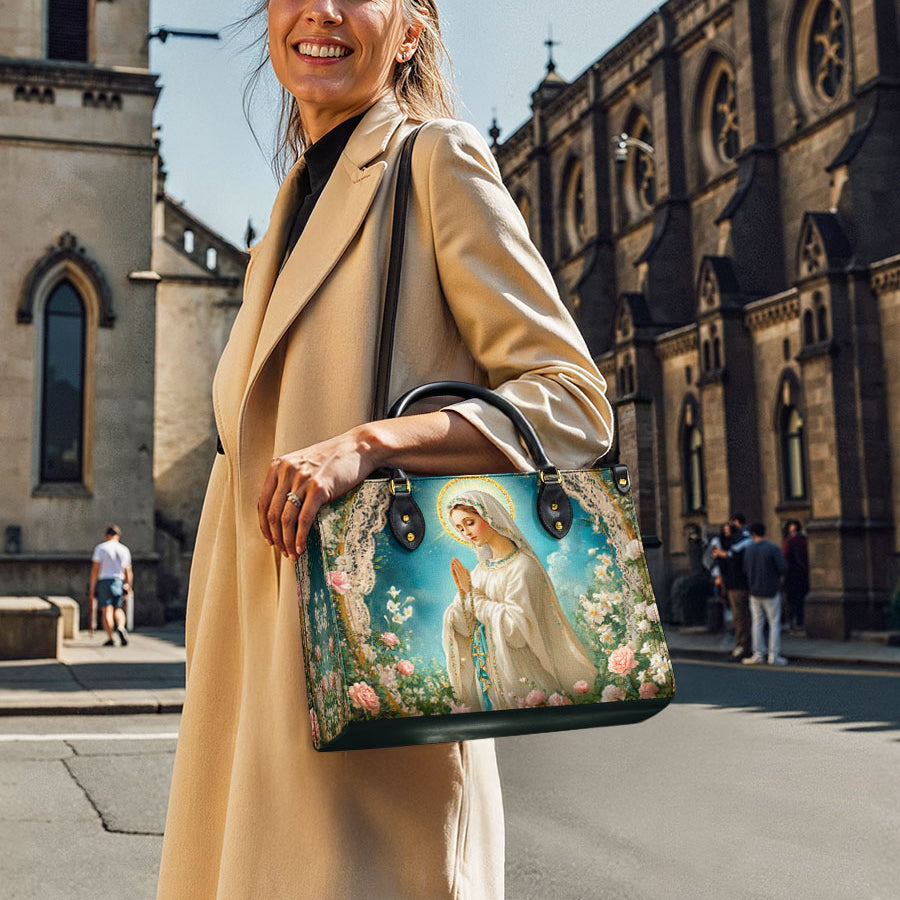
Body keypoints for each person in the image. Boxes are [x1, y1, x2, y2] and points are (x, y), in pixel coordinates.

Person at [156, 3, 613, 898]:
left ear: (408, 30)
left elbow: (572, 402)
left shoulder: (435, 159)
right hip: (247, 710)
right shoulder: (281, 222)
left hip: (370, 720)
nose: (321, 11)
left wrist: (372, 443)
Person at [442, 492, 598, 711]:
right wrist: (462, 599)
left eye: (470, 522)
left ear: (490, 516)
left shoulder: (523, 567)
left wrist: (473, 597)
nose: (466, 532)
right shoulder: (479, 571)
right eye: (460, 528)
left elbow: (516, 630)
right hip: (490, 678)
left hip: (522, 672)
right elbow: (465, 626)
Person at [741, 522, 789, 666]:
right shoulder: (772, 548)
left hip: (754, 590)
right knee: (774, 623)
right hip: (771, 589)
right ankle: (773, 655)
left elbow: (745, 569)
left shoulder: (748, 550)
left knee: (757, 622)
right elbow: (783, 567)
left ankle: (758, 654)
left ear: (752, 534)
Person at [713, 513, 753, 659]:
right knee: (741, 616)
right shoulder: (731, 543)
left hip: (738, 584)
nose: (727, 532)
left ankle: (744, 645)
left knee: (740, 616)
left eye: (729, 528)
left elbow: (733, 556)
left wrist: (723, 555)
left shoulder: (741, 543)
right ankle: (744, 644)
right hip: (734, 583)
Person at [89, 525, 132, 647]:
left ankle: (110, 637)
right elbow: (128, 571)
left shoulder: (101, 548)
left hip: (104, 580)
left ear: (107, 535)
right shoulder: (124, 550)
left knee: (107, 609)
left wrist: (92, 587)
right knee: (118, 608)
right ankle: (121, 627)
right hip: (119, 581)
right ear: (118, 535)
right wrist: (128, 585)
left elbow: (95, 569)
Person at [782, 519, 809, 631]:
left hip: (792, 573)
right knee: (800, 598)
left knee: (791, 599)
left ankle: (793, 622)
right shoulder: (804, 539)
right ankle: (800, 621)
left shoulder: (790, 541)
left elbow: (784, 556)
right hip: (802, 572)